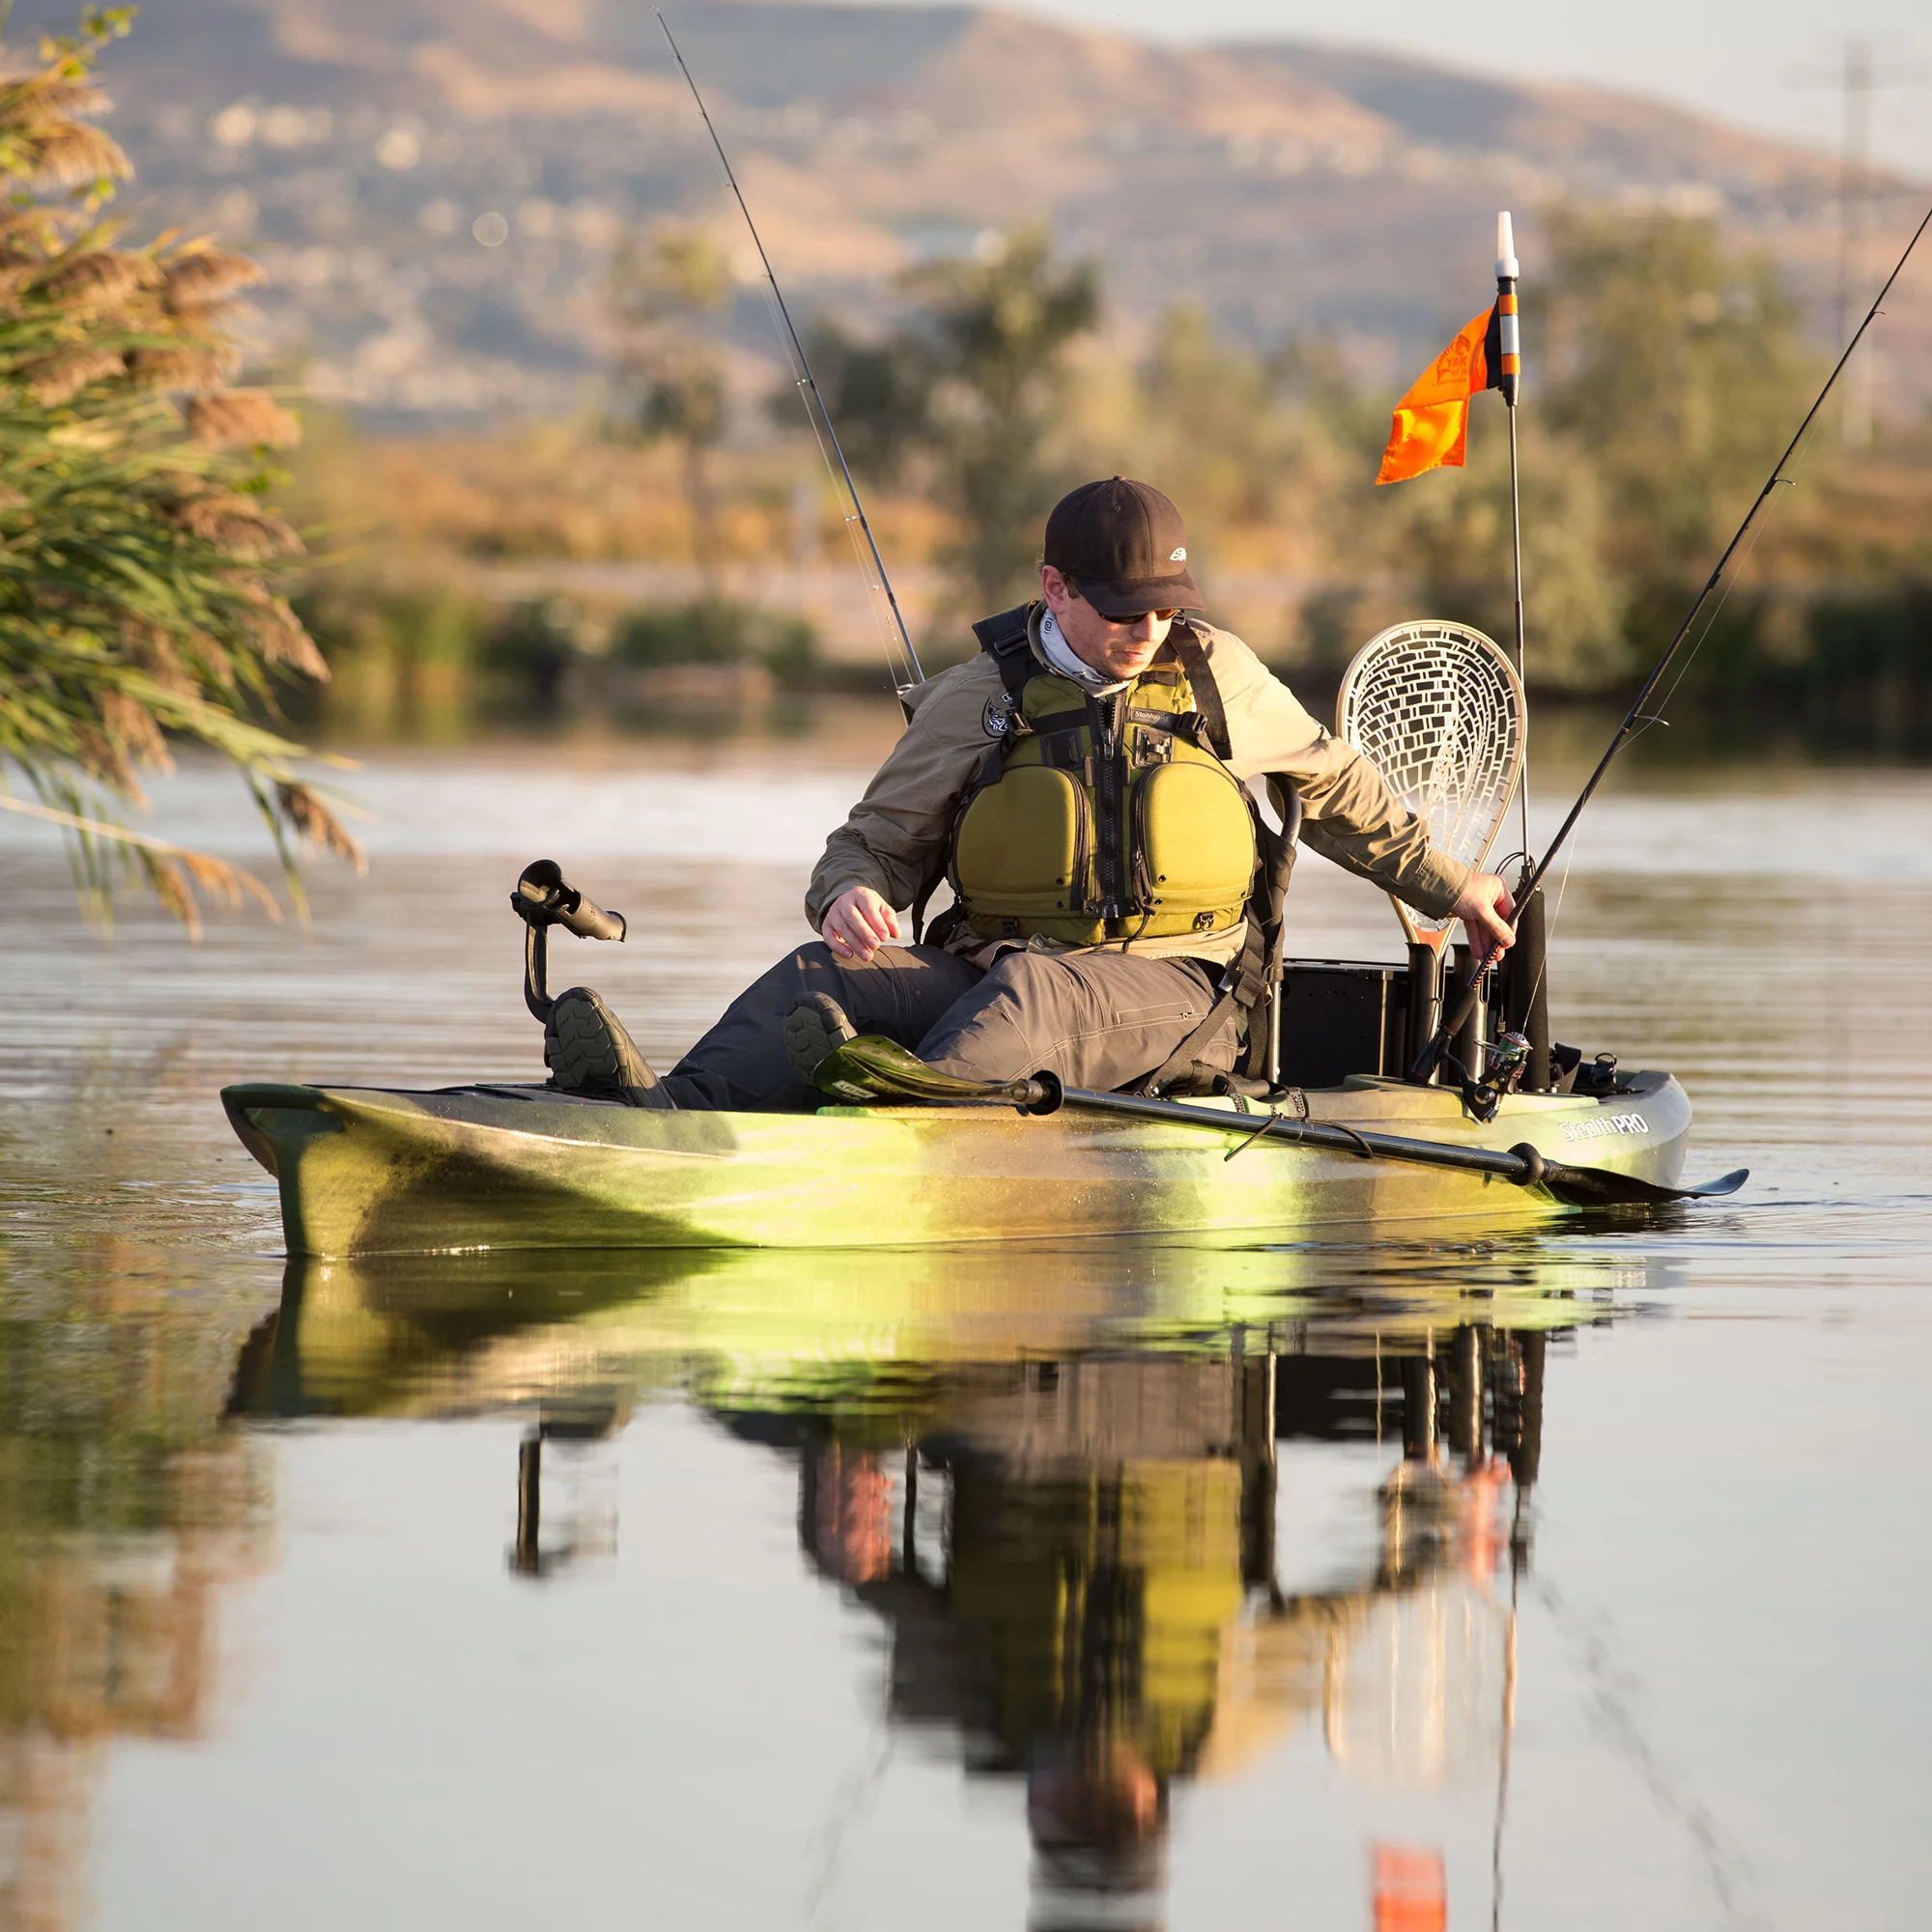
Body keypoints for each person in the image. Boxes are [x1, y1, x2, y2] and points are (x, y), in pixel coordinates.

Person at [545, 476, 1515, 1111]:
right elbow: (872, 842)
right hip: (990, 967)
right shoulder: (980, 697)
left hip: (1181, 988)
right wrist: (847, 895)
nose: (1146, 629)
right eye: (1120, 608)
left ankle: (882, 1117)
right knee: (821, 976)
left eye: (1165, 607)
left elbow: (1338, 789)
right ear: (1054, 589)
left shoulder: (1219, 676)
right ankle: (660, 1118)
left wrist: (1453, 885)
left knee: (1033, 990)